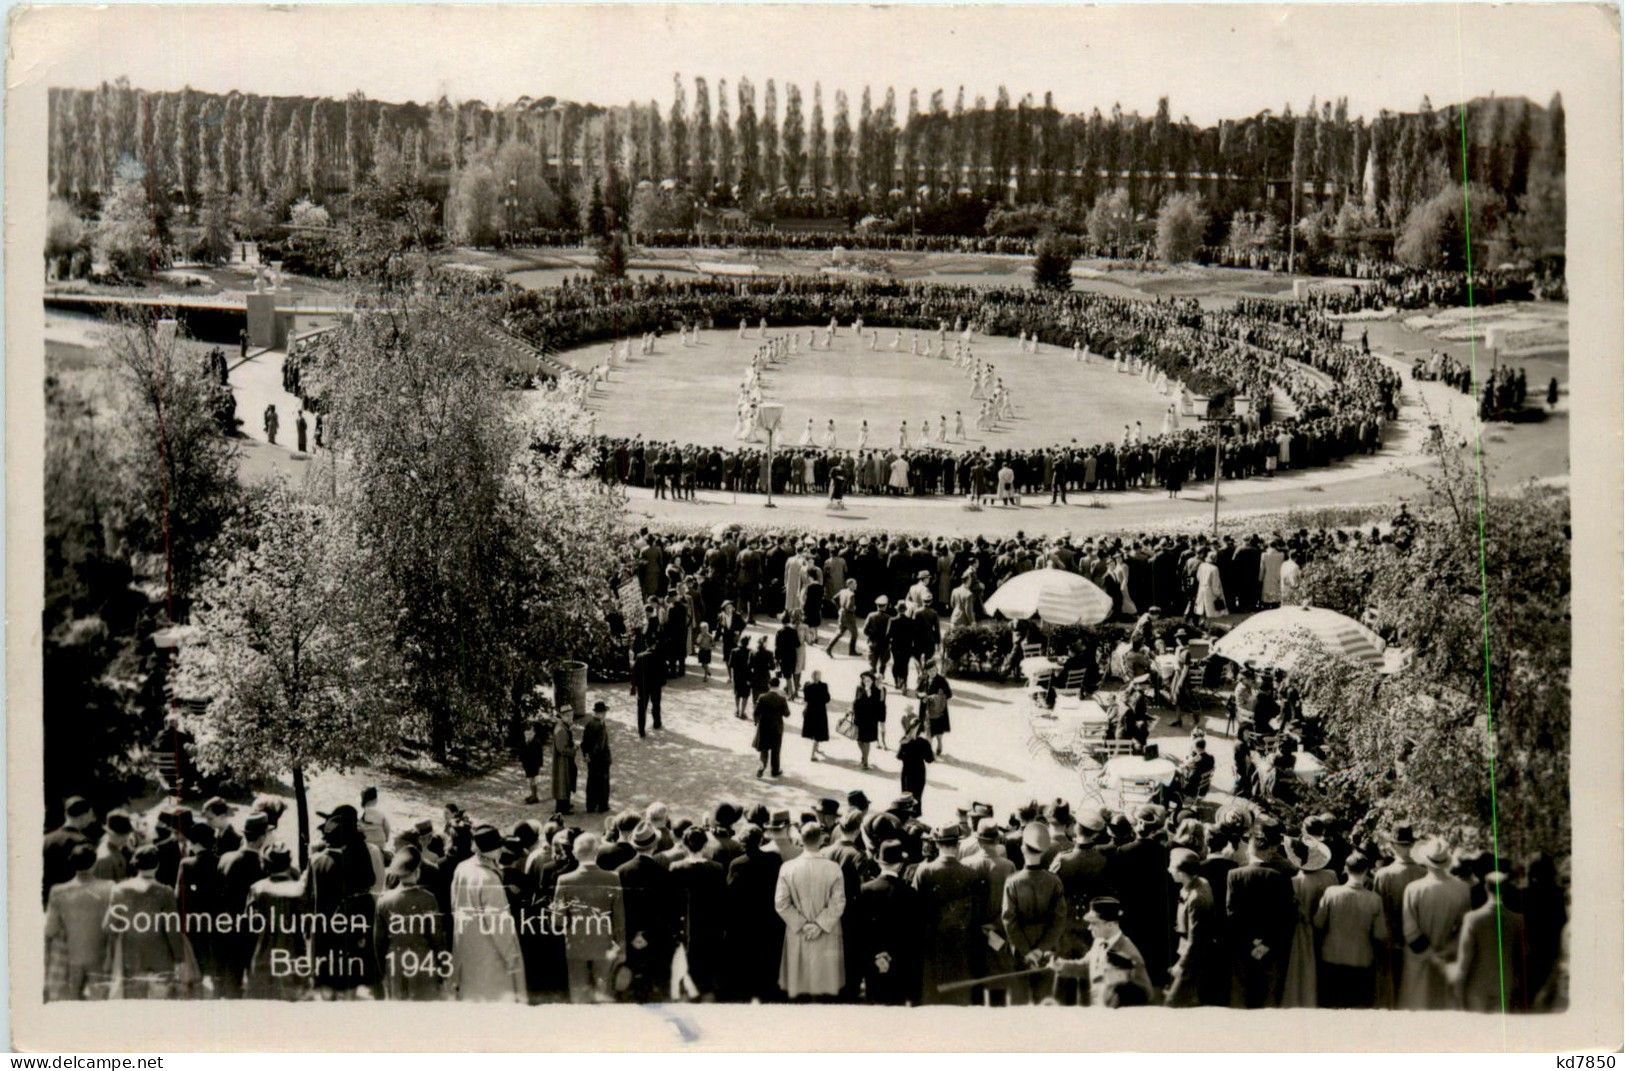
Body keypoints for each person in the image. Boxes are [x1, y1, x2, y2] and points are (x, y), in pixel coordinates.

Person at [105, 844, 195, 999]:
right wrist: (179, 958)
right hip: (161, 956)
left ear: (135, 863)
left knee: (135, 1006)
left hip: (131, 956)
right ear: (157, 865)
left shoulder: (118, 890)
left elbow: (109, 925)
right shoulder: (165, 892)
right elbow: (172, 929)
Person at [450, 824, 525, 1002]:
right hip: (491, 953)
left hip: (466, 946)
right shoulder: (488, 878)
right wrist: (511, 956)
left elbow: (454, 904)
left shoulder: (462, 868)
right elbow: (498, 924)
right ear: (495, 850)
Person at [775, 823, 847, 1000]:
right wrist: (819, 925)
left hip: (799, 934)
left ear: (801, 838)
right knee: (825, 990)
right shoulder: (834, 868)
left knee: (799, 989)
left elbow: (781, 904)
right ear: (822, 839)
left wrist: (803, 925)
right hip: (826, 935)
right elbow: (838, 903)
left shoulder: (788, 868)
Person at [912, 825, 983, 1005]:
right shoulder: (971, 874)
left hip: (932, 944)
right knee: (959, 996)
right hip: (962, 943)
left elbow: (916, 910)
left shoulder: (924, 871)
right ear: (957, 845)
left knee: (933, 997)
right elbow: (976, 914)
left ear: (937, 845)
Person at [552, 833, 626, 1004]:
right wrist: (621, 947)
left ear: (575, 854)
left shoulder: (564, 880)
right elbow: (619, 918)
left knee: (579, 996)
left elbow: (557, 920)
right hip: (605, 945)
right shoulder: (613, 878)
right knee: (604, 994)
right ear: (596, 852)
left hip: (576, 945)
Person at [1400, 838, 1473, 1010]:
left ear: (1426, 861)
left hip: (1418, 959)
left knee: (1417, 1010)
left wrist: (1429, 954)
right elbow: (1464, 928)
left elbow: (1409, 929)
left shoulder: (1413, 889)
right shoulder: (1462, 889)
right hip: (1447, 957)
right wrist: (1446, 950)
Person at [1001, 822, 1067, 1005]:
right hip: (1046, 952)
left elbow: (1008, 920)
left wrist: (1026, 951)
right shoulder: (1054, 882)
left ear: (1023, 849)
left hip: (1020, 952)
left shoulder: (1013, 882)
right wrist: (1041, 949)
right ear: (1044, 850)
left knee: (1018, 1007)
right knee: (1044, 1004)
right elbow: (1059, 920)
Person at [1313, 851, 1388, 1009]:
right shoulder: (1375, 900)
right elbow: (1380, 934)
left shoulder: (1331, 893)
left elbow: (1318, 923)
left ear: (1346, 869)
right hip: (1361, 959)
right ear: (1367, 871)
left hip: (1332, 957)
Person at [374, 846, 450, 1001]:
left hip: (394, 961)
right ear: (417, 871)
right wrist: (444, 967)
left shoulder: (383, 900)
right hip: (422, 961)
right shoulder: (428, 899)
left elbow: (378, 941)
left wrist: (382, 971)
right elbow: (437, 938)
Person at [852, 840, 923, 1005]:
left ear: (880, 862)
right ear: (899, 865)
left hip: (872, 964)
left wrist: (875, 956)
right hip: (900, 966)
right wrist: (892, 956)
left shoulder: (865, 890)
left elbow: (858, 931)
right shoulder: (910, 893)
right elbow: (913, 935)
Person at [1450, 871, 1528, 1012]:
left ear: (1486, 887)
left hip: (1477, 985)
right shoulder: (1518, 920)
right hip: (1505, 984)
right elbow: (1521, 956)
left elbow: (1465, 957)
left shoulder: (1472, 918)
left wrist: (1458, 987)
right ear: (1506, 889)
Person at [44, 844, 113, 1001]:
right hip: (100, 959)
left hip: (71, 959)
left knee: (71, 1010)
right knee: (99, 1010)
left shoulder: (58, 891)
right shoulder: (109, 888)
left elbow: (51, 929)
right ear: (95, 863)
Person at [1164, 847, 1221, 1007]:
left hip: (1194, 960)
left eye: (1172, 867)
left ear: (1182, 872)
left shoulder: (1196, 898)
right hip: (1189, 955)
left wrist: (1181, 965)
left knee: (1173, 1002)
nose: (1169, 870)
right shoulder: (1198, 884)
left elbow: (1196, 938)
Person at [752, 676, 789, 778]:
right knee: (775, 750)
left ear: (769, 685)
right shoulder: (782, 699)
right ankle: (775, 771)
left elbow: (756, 712)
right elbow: (787, 714)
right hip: (777, 728)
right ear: (778, 686)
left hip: (764, 727)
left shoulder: (762, 697)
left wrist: (756, 722)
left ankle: (761, 768)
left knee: (764, 750)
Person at [896, 716, 935, 808]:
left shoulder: (905, 741)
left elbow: (899, 756)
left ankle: (906, 812)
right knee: (917, 794)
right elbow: (929, 759)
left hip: (907, 771)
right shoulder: (924, 742)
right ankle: (915, 813)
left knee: (906, 794)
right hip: (919, 771)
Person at [580, 702, 612, 814]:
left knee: (592, 782)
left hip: (591, 760)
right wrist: (593, 755)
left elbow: (584, 742)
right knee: (603, 783)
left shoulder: (589, 724)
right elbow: (600, 745)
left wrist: (586, 755)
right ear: (602, 713)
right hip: (601, 760)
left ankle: (590, 805)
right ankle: (602, 805)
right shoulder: (601, 725)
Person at [852, 671, 887, 769]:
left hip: (870, 719)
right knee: (859, 740)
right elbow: (856, 701)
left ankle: (865, 762)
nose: (866, 682)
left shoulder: (876, 690)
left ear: (872, 681)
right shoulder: (859, 688)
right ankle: (864, 756)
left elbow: (877, 705)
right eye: (864, 680)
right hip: (859, 718)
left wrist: (869, 694)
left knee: (866, 740)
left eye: (868, 680)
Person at [630, 640, 665, 737]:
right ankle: (657, 722)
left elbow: (635, 672)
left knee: (642, 708)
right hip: (656, 685)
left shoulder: (640, 656)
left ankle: (641, 730)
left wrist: (634, 685)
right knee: (656, 704)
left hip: (643, 686)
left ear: (646, 645)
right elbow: (664, 671)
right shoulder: (660, 656)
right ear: (654, 645)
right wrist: (662, 683)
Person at [919, 662, 952, 757]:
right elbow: (917, 692)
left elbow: (949, 694)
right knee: (928, 731)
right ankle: (929, 751)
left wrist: (936, 697)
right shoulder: (924, 679)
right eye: (930, 671)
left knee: (938, 732)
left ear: (936, 669)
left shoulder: (941, 680)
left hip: (938, 710)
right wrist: (920, 695)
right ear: (927, 671)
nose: (932, 672)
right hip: (926, 710)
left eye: (934, 670)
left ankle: (939, 743)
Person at [551, 712, 579, 815]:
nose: (570, 717)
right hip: (562, 762)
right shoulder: (561, 730)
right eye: (567, 715)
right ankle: (562, 808)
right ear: (562, 716)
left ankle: (565, 805)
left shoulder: (563, 727)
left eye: (571, 715)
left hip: (564, 761)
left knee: (565, 783)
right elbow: (562, 749)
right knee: (563, 783)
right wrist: (574, 749)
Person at [801, 669, 831, 762]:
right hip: (820, 711)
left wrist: (804, 709)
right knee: (818, 732)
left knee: (814, 731)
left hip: (810, 710)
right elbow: (827, 699)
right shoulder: (823, 686)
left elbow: (805, 699)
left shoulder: (807, 686)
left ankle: (816, 748)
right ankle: (812, 755)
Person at [827, 579, 861, 656]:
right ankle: (852, 651)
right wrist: (853, 608)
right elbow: (849, 606)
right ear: (850, 585)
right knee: (855, 634)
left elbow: (834, 599)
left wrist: (839, 607)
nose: (856, 585)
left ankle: (828, 648)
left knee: (840, 632)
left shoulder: (842, 591)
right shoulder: (851, 594)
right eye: (854, 584)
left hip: (841, 614)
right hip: (849, 616)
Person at [520, 718, 549, 805]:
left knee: (533, 779)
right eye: (527, 733)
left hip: (533, 764)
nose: (528, 735)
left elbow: (539, 755)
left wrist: (539, 764)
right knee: (531, 779)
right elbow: (523, 751)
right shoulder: (526, 740)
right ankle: (533, 794)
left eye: (530, 733)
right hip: (528, 763)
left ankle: (534, 796)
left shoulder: (536, 742)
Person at [728, 637, 754, 719]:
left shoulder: (734, 651)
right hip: (747, 676)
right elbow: (752, 665)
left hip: (737, 676)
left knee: (737, 694)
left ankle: (737, 710)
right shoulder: (750, 651)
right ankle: (742, 712)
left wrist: (731, 676)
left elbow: (730, 664)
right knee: (745, 695)